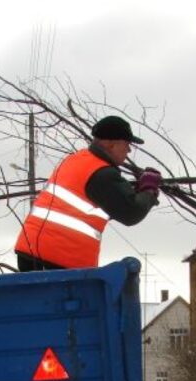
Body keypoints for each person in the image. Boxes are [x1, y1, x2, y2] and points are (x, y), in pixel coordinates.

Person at [14, 115, 161, 271]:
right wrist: (149, 191)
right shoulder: (102, 174)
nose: (129, 150)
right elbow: (131, 212)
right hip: (57, 257)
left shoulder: (76, 160)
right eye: (127, 144)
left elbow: (108, 201)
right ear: (111, 144)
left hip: (35, 252)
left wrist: (136, 191)